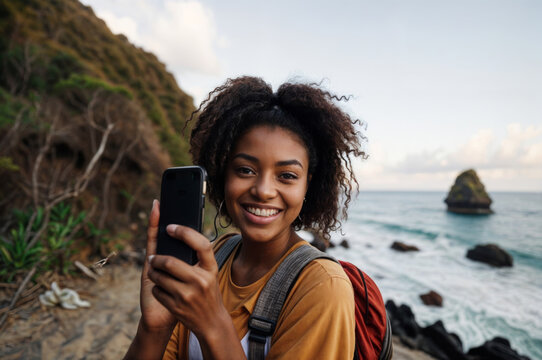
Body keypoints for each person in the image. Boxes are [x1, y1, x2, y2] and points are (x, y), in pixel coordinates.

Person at [124, 76, 366, 360]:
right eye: (245, 170)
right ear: (222, 174)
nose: (263, 190)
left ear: (307, 186)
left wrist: (212, 322)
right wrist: (153, 328)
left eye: (286, 176)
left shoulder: (322, 286)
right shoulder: (212, 260)